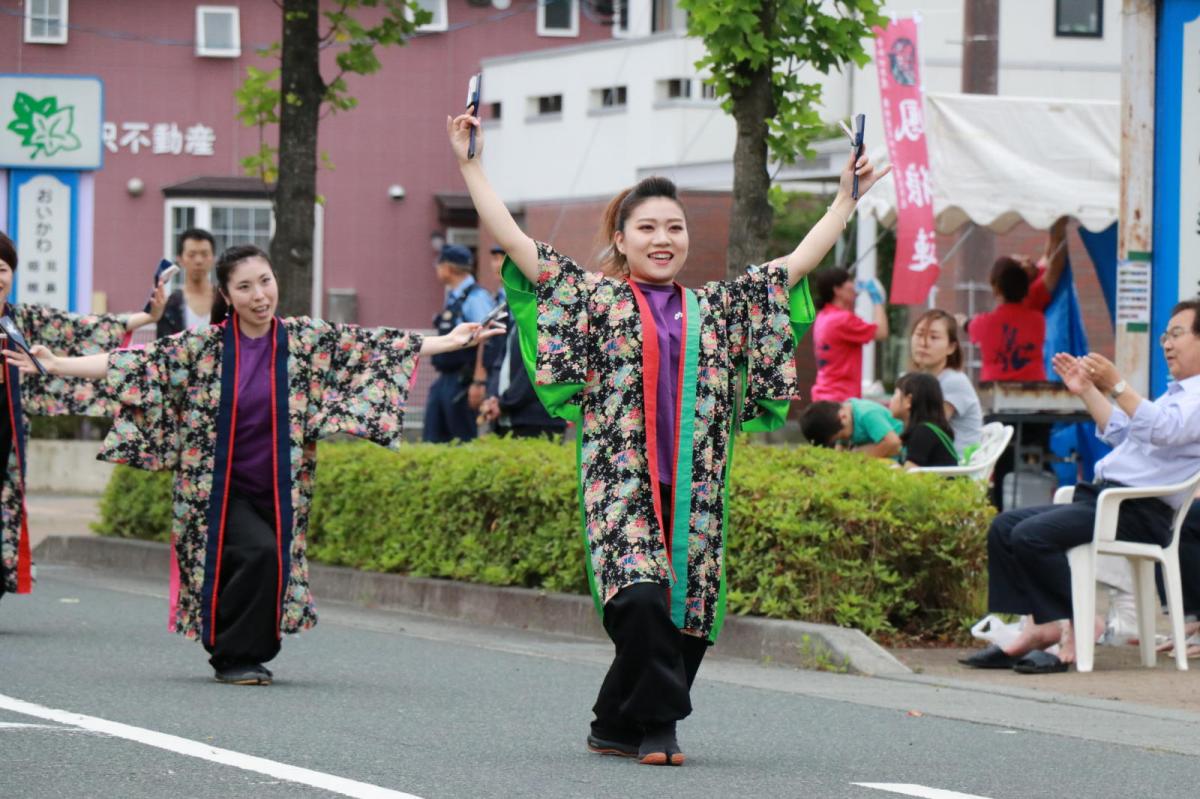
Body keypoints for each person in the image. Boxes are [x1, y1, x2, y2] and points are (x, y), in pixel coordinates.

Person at [449, 110, 887, 764]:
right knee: (644, 599)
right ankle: (661, 727)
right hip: (621, 484)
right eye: (647, 227)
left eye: (674, 227)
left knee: (691, 618)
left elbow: (795, 266)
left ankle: (611, 720)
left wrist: (845, 202)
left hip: (694, 487)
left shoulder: (718, 308)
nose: (663, 238)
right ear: (621, 240)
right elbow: (517, 244)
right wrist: (470, 164)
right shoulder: (596, 301)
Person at [5, 244, 501, 683]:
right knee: (258, 554)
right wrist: (56, 364)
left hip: (283, 488)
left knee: (271, 562)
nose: (260, 294)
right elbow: (135, 365)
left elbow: (376, 347)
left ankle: (245, 650)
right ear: (227, 294)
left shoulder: (304, 341)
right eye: (245, 287)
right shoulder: (204, 347)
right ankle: (232, 655)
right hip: (216, 488)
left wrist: (452, 342)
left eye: (265, 281)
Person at [959, 299, 1200, 673]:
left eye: (1178, 334)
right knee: (1004, 527)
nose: (1167, 344)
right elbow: (1121, 434)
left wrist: (1118, 385)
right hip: (1106, 499)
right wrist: (1087, 390)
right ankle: (1040, 628)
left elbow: (1163, 429)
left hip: (1139, 509)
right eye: (1165, 336)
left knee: (1031, 536)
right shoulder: (1175, 395)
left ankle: (1079, 624)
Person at [0, 231, 166, 606]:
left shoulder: (21, 320)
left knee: (5, 506)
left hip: (6, 438)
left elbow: (81, 328)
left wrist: (148, 316)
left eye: (3, 268)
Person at [423, 243, 495, 443]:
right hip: (445, 378)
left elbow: (486, 340)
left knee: (462, 441)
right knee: (432, 438)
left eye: (439, 264)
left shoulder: (476, 297)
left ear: (449, 268)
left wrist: (478, 381)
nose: (437, 269)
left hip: (464, 380)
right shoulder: (454, 298)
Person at [908, 309, 983, 452]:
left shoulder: (953, 381)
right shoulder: (924, 380)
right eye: (919, 334)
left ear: (951, 347)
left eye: (934, 337)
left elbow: (929, 431)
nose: (924, 343)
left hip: (954, 469)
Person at [810, 267, 888, 402]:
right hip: (841, 399)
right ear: (837, 290)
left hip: (822, 396)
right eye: (849, 281)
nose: (854, 285)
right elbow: (881, 332)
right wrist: (877, 301)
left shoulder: (823, 317)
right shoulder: (843, 320)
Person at [965, 258, 1046, 382]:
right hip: (1035, 391)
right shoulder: (1039, 320)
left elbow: (969, 325)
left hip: (995, 391)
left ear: (996, 289)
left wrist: (961, 321)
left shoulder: (983, 322)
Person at [154, 228, 217, 337]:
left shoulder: (225, 300)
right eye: (192, 255)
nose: (198, 261)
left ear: (213, 258)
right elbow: (164, 347)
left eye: (204, 254)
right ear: (180, 259)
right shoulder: (170, 305)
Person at [889, 373, 958, 468]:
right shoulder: (926, 429)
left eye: (895, 394)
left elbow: (910, 474)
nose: (891, 399)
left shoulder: (923, 432)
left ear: (909, 401)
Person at [800, 398, 903, 460]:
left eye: (841, 437)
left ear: (843, 417)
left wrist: (858, 455)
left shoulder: (866, 413)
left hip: (905, 455)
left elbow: (893, 443)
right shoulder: (841, 420)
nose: (843, 439)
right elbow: (841, 453)